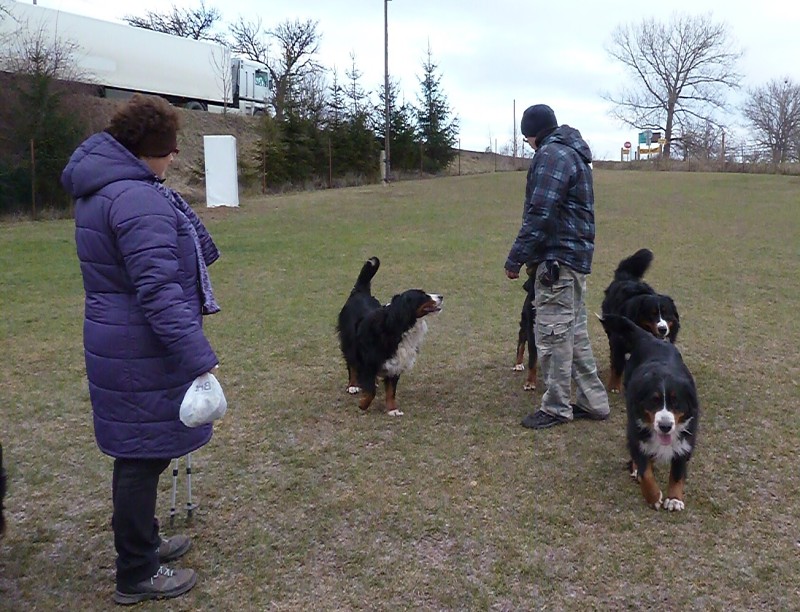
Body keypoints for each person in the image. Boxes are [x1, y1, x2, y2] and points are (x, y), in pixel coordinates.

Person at [61, 94, 221, 604]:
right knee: (139, 456)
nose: (174, 158)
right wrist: (200, 358)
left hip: (121, 336)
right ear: (147, 150)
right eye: (169, 150)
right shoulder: (138, 199)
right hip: (138, 344)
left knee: (142, 451)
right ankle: (136, 570)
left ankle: (145, 543)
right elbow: (159, 289)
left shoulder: (106, 189)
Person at [504, 104, 609, 429]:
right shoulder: (573, 153)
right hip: (573, 261)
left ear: (532, 135)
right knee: (574, 334)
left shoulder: (551, 156)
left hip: (557, 263)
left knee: (551, 335)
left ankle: (556, 407)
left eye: (526, 139)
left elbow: (540, 211)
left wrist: (516, 257)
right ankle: (594, 402)